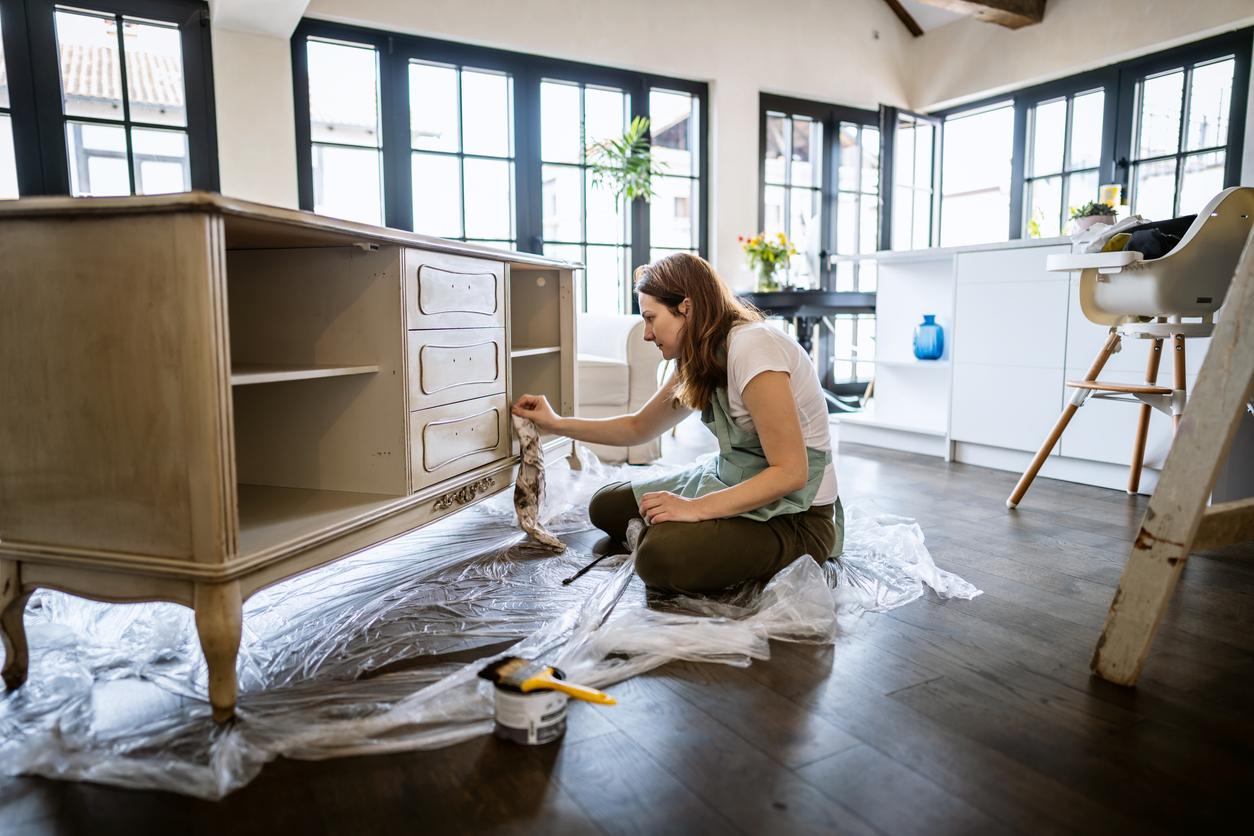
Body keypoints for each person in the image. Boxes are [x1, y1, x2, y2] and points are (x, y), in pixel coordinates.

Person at [511, 252, 843, 594]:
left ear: (686, 308)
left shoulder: (753, 348)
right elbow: (638, 428)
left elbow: (790, 473)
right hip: (733, 480)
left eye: (651, 318)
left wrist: (694, 509)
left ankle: (683, 539)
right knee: (604, 505)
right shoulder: (698, 355)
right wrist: (556, 423)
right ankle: (694, 536)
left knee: (659, 557)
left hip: (797, 517)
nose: (647, 334)